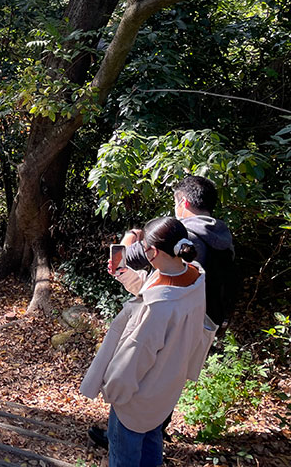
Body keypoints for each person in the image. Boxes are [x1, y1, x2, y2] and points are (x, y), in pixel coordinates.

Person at [87, 175, 236, 450]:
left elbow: (158, 287)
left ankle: (131, 435)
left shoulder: (184, 240)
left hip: (176, 323)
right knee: (167, 381)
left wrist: (131, 240)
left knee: (149, 386)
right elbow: (172, 281)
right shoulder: (219, 236)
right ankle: (151, 429)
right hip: (201, 323)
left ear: (184, 201)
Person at [80, 217, 215, 467]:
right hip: (166, 387)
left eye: (144, 249)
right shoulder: (194, 274)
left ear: (152, 252)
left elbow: (133, 358)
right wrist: (124, 273)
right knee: (152, 441)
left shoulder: (157, 309)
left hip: (136, 397)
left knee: (125, 456)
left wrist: (113, 393)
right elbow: (153, 285)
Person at [124, 175, 236, 328]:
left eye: (175, 202)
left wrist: (132, 234)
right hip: (208, 324)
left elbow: (124, 257)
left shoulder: (175, 234)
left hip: (172, 322)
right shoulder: (224, 235)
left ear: (184, 202)